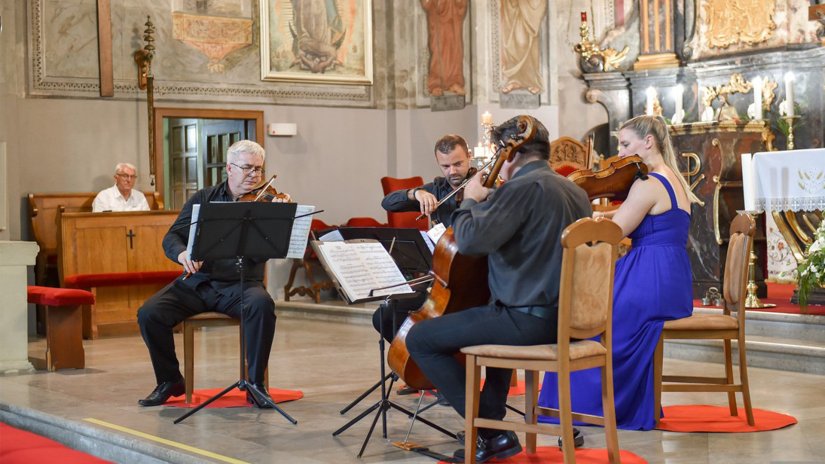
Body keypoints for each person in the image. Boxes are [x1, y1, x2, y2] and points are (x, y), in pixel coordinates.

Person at [404, 115, 592, 462]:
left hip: (529, 319)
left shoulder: (523, 188)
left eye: (498, 155)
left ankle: (492, 435)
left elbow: (472, 241)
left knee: (421, 339)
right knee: (493, 316)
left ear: (511, 154)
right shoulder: (574, 190)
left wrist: (471, 201)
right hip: (569, 320)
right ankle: (491, 419)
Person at [538, 115, 699, 431]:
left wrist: (579, 220)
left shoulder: (648, 183)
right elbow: (625, 215)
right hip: (669, 276)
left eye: (626, 144)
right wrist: (596, 212)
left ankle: (585, 407)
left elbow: (614, 231)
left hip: (648, 277)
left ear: (648, 141)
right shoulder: (672, 178)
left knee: (586, 320)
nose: (621, 153)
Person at [136, 140, 291, 408]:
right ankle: (170, 380)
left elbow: (270, 249)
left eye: (258, 169)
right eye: (247, 168)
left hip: (240, 284)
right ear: (229, 168)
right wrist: (183, 255)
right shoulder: (204, 199)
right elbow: (173, 236)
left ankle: (256, 384)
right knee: (149, 313)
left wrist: (278, 220)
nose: (254, 175)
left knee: (262, 305)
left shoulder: (268, 204)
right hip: (197, 282)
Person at [375, 134, 474, 343]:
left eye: (458, 164)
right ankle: (424, 366)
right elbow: (388, 203)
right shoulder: (438, 189)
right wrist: (415, 194)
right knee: (385, 316)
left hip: (474, 281)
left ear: (470, 157)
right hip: (439, 279)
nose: (452, 171)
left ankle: (437, 359)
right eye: (445, 166)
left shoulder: (483, 186)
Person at [420, 0, 468, 96]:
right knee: (438, 49)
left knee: (455, 50)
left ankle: (455, 82)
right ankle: (436, 83)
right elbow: (426, 3)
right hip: (437, 16)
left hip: (453, 15)